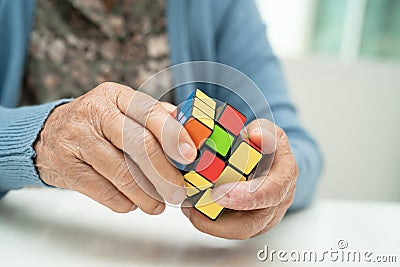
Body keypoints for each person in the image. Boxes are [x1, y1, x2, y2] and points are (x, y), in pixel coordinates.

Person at [0, 0, 322, 240]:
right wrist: (39, 138)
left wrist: (274, 178)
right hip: (26, 236)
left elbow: (296, 146)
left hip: (170, 250)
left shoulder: (220, 6)